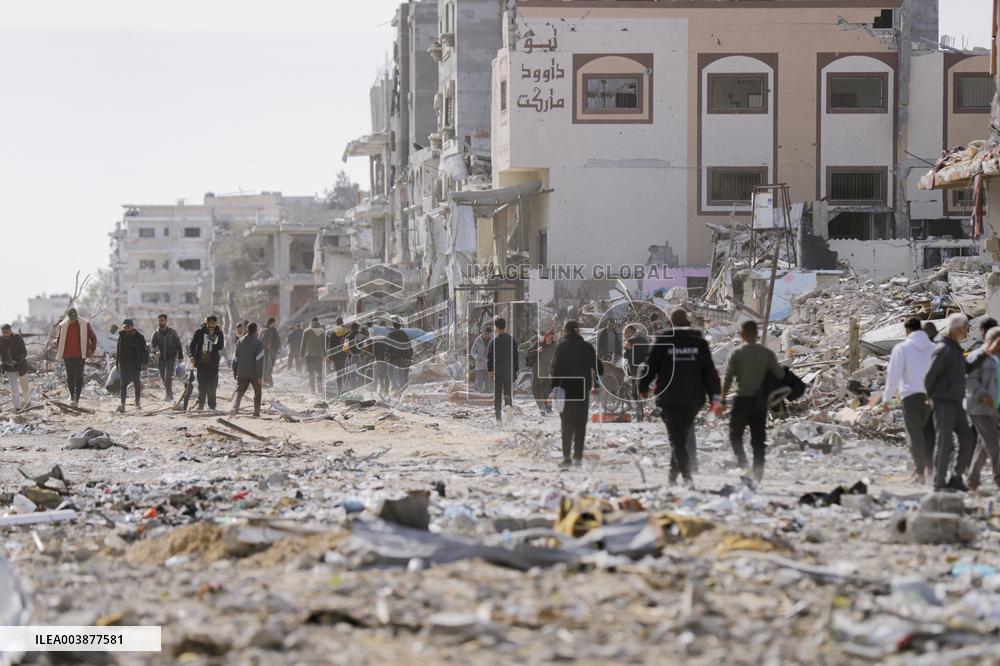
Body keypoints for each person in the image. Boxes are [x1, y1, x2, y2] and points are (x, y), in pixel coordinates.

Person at [640, 308, 722, 485]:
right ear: (687, 322)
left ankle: (686, 475)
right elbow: (709, 371)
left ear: (671, 323)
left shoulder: (664, 341)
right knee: (680, 436)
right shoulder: (699, 342)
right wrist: (715, 395)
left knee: (676, 437)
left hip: (669, 398)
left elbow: (650, 365)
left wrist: (642, 386)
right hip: (693, 399)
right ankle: (673, 474)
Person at [925, 313, 988, 492]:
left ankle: (956, 477)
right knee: (944, 443)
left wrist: (984, 353)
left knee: (967, 439)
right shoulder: (943, 348)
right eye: (966, 329)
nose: (967, 332)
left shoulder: (954, 348)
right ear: (958, 328)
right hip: (943, 401)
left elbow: (966, 369)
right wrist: (932, 398)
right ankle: (939, 483)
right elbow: (930, 376)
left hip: (956, 401)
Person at [722, 320, 785, 481]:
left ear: (742, 335)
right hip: (759, 402)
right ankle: (758, 472)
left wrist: (721, 398)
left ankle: (744, 466)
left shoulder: (736, 353)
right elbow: (779, 375)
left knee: (735, 435)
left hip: (741, 400)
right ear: (756, 335)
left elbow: (728, 379)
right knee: (758, 438)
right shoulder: (767, 353)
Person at [882, 317, 937, 483]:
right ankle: (930, 470)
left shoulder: (902, 348)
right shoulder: (934, 347)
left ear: (906, 330)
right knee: (929, 434)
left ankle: (919, 472)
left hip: (911, 396)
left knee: (914, 435)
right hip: (930, 397)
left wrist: (886, 398)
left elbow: (893, 375)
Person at [550, 320, 603, 467]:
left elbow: (555, 369)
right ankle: (578, 457)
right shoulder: (587, 346)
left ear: (565, 331)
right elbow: (598, 366)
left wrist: (554, 389)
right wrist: (596, 385)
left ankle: (567, 458)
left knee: (566, 425)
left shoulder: (561, 346)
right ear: (578, 331)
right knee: (580, 424)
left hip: (566, 391)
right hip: (582, 391)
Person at [967, 326, 1000, 491]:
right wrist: (983, 395)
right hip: (979, 408)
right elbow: (969, 379)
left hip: (994, 409)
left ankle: (972, 480)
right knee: (995, 443)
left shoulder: (996, 359)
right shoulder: (977, 357)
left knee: (983, 445)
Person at [55, 308, 97, 408]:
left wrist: (91, 351)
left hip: (80, 355)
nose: (72, 320)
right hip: (67, 356)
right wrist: (59, 352)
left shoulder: (84, 324)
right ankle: (72, 396)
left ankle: (76, 400)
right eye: (71, 318)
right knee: (70, 378)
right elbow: (59, 340)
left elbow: (93, 338)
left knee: (79, 377)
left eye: (74, 318)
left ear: (77, 316)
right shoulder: (63, 325)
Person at [487, 317, 519, 423]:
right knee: (508, 392)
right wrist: (515, 372)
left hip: (498, 371)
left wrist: (490, 370)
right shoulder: (512, 339)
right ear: (505, 326)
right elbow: (515, 357)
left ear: (496, 327)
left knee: (497, 394)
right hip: (509, 371)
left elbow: (490, 357)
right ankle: (508, 406)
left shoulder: (494, 341)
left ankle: (498, 418)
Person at [190, 315, 224, 410]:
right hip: (201, 363)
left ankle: (212, 406)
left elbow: (220, 346)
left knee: (212, 386)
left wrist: (211, 336)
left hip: (213, 364)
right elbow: (192, 345)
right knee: (201, 385)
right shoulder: (199, 332)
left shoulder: (219, 333)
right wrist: (192, 356)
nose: (212, 325)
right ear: (206, 323)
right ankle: (201, 405)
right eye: (210, 323)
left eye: (214, 323)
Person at [231, 322, 265, 417]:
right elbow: (259, 361)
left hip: (241, 372)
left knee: (240, 391)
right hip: (254, 374)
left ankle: (234, 409)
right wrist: (259, 376)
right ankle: (256, 412)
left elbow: (235, 358)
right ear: (256, 331)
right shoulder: (259, 343)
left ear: (247, 330)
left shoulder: (240, 341)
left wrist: (235, 371)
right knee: (257, 393)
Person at [115, 319, 148, 413]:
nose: (126, 328)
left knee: (137, 384)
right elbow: (118, 351)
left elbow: (145, 351)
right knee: (123, 385)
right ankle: (122, 404)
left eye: (128, 326)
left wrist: (145, 363)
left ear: (132, 326)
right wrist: (117, 364)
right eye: (125, 326)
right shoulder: (121, 336)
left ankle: (137, 403)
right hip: (124, 364)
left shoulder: (139, 337)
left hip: (135, 365)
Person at [150, 313, 183, 402]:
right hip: (161, 358)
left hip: (171, 357)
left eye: (163, 320)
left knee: (168, 375)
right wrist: (156, 351)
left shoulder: (172, 332)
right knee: (162, 376)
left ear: (166, 321)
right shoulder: (156, 333)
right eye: (160, 320)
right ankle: (170, 393)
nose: (161, 322)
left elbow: (178, 344)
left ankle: (168, 395)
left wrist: (180, 356)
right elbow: (152, 346)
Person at [623, 324, 650, 422]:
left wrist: (629, 348)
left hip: (635, 370)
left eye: (626, 332)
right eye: (624, 332)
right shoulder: (642, 339)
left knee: (635, 391)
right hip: (644, 368)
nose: (625, 334)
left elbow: (626, 355)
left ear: (631, 332)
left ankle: (639, 413)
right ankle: (641, 412)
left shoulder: (630, 342)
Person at [0, 324, 29, 411]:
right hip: (9, 367)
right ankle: (17, 407)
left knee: (24, 386)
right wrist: (3, 362)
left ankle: (27, 402)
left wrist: (17, 360)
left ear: (10, 330)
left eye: (7, 332)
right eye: (4, 332)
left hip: (21, 366)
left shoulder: (17, 338)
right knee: (14, 387)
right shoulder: (0, 340)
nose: (5, 334)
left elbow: (24, 352)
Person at [530, 330, 557, 415]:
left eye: (552, 338)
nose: (550, 339)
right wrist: (536, 351)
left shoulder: (555, 347)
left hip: (548, 372)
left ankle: (548, 409)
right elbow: (528, 354)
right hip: (537, 371)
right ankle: (541, 408)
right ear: (546, 337)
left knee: (547, 390)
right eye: (549, 337)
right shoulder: (538, 344)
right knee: (536, 389)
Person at [300, 317, 326, 394]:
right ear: (318, 322)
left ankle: (312, 390)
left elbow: (303, 344)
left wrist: (301, 355)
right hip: (319, 355)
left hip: (309, 355)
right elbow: (324, 344)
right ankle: (320, 389)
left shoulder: (306, 331)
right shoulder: (322, 331)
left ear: (311, 322)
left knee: (311, 372)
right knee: (319, 372)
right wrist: (325, 354)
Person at [387, 320, 413, 389]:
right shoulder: (404, 334)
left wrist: (386, 355)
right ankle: (402, 388)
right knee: (401, 373)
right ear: (400, 326)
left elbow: (388, 346)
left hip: (393, 357)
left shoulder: (390, 334)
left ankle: (395, 386)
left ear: (393, 326)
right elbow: (408, 345)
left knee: (390, 372)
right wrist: (409, 356)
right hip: (402, 356)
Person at [327, 318, 349, 394]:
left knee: (338, 373)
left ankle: (339, 391)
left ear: (336, 323)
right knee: (345, 372)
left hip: (336, 356)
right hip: (345, 355)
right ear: (342, 322)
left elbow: (331, 346)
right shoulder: (347, 332)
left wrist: (330, 356)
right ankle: (346, 389)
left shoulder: (333, 333)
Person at [371, 321, 392, 394]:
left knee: (385, 373)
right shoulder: (378, 337)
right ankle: (383, 387)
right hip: (381, 357)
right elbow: (374, 347)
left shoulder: (388, 335)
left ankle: (385, 389)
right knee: (382, 373)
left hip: (384, 357)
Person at [470, 325, 492, 393]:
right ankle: (478, 397)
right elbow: (472, 351)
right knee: (479, 385)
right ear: (483, 333)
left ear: (490, 334)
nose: (486, 335)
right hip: (480, 365)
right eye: (485, 334)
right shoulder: (478, 340)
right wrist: (477, 357)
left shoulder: (494, 339)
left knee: (490, 386)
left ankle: (488, 399)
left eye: (488, 334)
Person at [261, 317, 281, 388]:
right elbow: (263, 341)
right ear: (271, 323)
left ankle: (268, 382)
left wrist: (278, 348)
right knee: (267, 367)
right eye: (274, 322)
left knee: (270, 367)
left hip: (274, 351)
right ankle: (266, 382)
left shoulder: (274, 330)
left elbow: (278, 340)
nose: (276, 324)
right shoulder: (266, 331)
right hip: (267, 352)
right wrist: (267, 345)